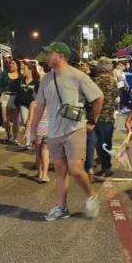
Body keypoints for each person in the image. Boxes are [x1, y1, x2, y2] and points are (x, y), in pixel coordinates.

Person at [30, 42, 103, 221]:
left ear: (60, 56)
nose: (47, 57)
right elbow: (39, 105)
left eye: (50, 53)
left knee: (75, 170)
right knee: (60, 171)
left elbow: (98, 97)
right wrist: (33, 130)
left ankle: (91, 196)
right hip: (54, 132)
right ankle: (62, 208)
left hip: (74, 129)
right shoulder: (46, 79)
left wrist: (92, 120)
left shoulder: (78, 76)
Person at [92, 57, 119, 179]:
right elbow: (116, 97)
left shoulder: (93, 81)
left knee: (96, 142)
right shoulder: (113, 82)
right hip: (108, 117)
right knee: (106, 143)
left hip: (95, 116)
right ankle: (106, 166)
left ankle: (97, 164)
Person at [0, 59, 22, 144]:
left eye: (13, 63)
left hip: (16, 97)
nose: (11, 65)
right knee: (5, 119)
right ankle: (8, 135)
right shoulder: (4, 74)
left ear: (17, 65)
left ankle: (15, 138)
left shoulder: (20, 76)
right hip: (5, 96)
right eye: (10, 63)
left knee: (15, 120)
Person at [17, 62, 40, 149]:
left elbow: (39, 93)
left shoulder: (36, 82)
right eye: (23, 69)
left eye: (25, 69)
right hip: (23, 104)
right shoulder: (21, 80)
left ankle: (31, 140)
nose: (23, 71)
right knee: (25, 121)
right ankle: (28, 140)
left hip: (32, 105)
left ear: (30, 70)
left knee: (31, 121)